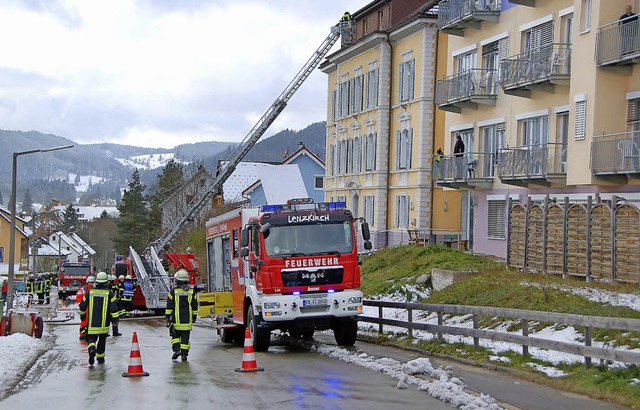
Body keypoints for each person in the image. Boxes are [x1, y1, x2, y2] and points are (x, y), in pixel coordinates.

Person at [78, 271, 118, 366]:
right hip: (104, 323)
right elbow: (114, 308)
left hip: (92, 323)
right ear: (105, 282)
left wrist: (82, 315)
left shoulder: (90, 292)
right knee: (102, 340)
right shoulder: (110, 293)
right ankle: (100, 358)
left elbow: (82, 305)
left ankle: (92, 349)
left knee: (91, 339)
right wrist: (115, 321)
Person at [165, 269, 198, 361]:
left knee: (175, 336)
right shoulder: (192, 292)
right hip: (187, 321)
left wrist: (167, 317)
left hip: (176, 321)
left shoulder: (173, 291)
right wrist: (194, 317)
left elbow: (169, 306)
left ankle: (176, 350)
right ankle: (184, 355)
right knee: (185, 339)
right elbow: (195, 306)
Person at [76, 275, 95, 340]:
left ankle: (90, 333)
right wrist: (82, 306)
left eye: (92, 282)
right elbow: (78, 297)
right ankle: (82, 334)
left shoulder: (95, 289)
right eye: (90, 282)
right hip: (86, 308)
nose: (91, 284)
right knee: (84, 321)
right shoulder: (83, 289)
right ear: (87, 282)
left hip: (93, 308)